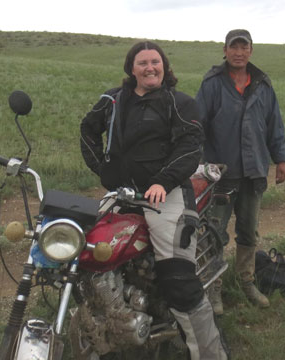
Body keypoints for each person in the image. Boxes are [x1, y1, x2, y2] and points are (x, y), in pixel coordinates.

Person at [80, 41, 228, 360]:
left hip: (168, 192)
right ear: (131, 69)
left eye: (156, 62)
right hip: (124, 193)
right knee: (86, 252)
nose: (150, 67)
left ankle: (210, 353)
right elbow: (88, 130)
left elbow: (191, 145)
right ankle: (105, 329)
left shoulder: (179, 102)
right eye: (143, 62)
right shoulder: (114, 100)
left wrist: (163, 179)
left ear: (165, 67)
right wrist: (103, 170)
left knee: (177, 277)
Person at [196, 29, 285, 315]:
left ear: (251, 51)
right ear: (225, 51)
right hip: (221, 175)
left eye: (243, 47)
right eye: (233, 47)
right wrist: (197, 168)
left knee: (248, 231)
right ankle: (213, 288)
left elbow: (274, 123)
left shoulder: (262, 83)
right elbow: (197, 126)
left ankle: (246, 281)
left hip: (254, 171)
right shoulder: (212, 83)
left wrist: (281, 159)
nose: (238, 52)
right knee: (213, 234)